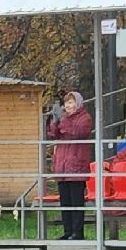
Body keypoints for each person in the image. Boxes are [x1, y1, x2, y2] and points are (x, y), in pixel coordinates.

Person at [46, 91, 93, 240]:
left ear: (78, 103)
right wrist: (55, 122)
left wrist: (63, 122)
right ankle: (67, 230)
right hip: (63, 166)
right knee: (65, 201)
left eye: (71, 102)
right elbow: (53, 135)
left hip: (76, 165)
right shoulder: (64, 118)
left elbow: (78, 132)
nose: (68, 105)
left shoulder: (85, 117)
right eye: (66, 103)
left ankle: (77, 232)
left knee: (76, 200)